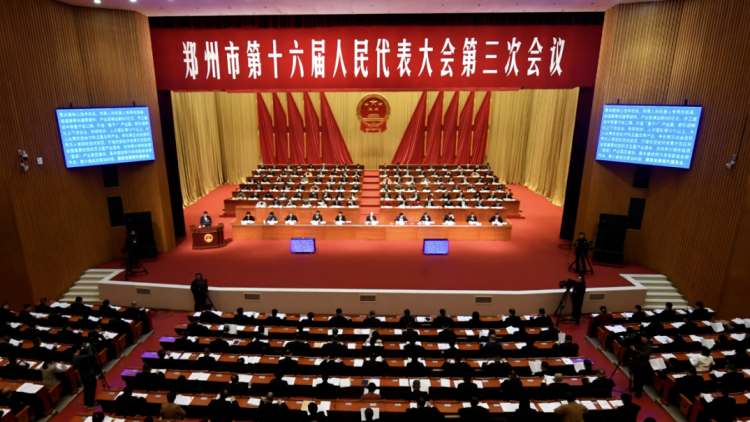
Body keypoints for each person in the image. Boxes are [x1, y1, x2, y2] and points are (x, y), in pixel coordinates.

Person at [72, 344, 98, 409]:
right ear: (77, 350)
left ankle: (86, 403)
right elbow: (91, 355)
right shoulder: (78, 358)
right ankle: (91, 405)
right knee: (91, 389)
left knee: (86, 389)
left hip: (83, 376)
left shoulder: (74, 358)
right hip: (89, 375)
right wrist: (88, 346)